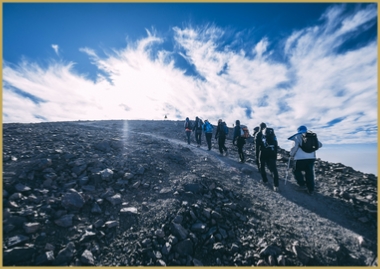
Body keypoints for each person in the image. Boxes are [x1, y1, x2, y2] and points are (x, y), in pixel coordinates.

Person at [288, 125, 323, 195]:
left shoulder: (297, 137)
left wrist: (291, 155)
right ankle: (311, 190)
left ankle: (302, 185)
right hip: (311, 158)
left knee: (296, 170)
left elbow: (295, 147)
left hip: (300, 158)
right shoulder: (311, 136)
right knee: (309, 173)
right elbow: (320, 145)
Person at [256, 122, 280, 191]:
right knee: (273, 169)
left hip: (263, 152)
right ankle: (276, 185)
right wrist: (275, 153)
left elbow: (257, 146)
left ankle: (265, 180)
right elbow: (276, 144)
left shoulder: (259, 134)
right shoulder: (272, 133)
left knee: (262, 166)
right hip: (272, 152)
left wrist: (257, 156)